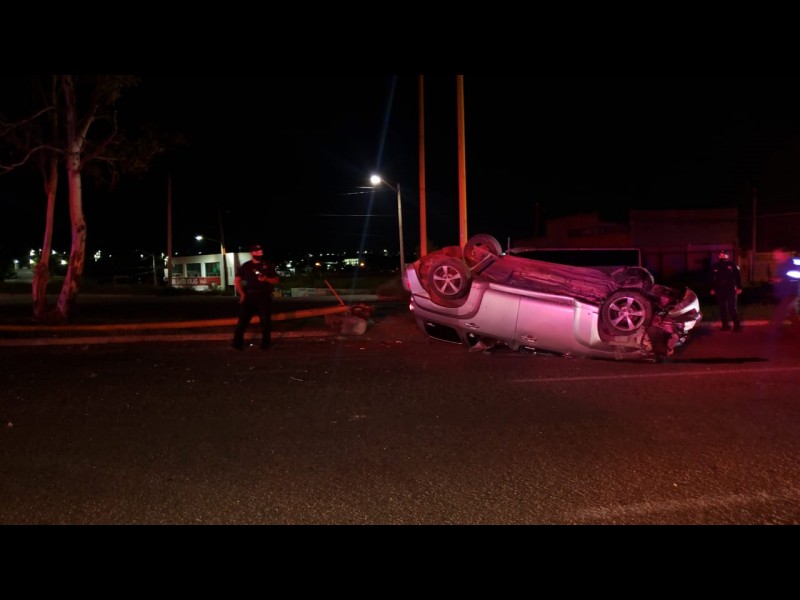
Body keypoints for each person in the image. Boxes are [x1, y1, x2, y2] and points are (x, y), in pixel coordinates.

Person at [231, 244, 280, 350]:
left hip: (264, 296)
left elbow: (276, 280)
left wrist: (266, 279)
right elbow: (237, 280)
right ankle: (237, 344)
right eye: (257, 251)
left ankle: (265, 344)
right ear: (252, 253)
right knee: (242, 321)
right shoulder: (246, 266)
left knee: (265, 321)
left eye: (261, 251)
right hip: (249, 296)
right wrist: (242, 294)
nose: (259, 253)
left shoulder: (268, 265)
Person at [769, 247, 800, 333]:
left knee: (780, 312)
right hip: (783, 293)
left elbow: (796, 275)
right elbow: (780, 276)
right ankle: (797, 329)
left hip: (790, 293)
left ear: (783, 254)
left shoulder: (792, 262)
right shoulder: (780, 264)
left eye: (776, 254)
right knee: (792, 314)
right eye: (774, 255)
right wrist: (775, 280)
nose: (774, 257)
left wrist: (781, 279)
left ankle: (774, 330)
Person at [710, 250, 742, 332]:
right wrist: (712, 288)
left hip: (730, 288)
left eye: (724, 255)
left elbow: (737, 276)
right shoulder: (715, 266)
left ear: (727, 256)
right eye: (720, 255)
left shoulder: (732, 264)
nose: (722, 256)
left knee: (732, 307)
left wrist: (739, 287)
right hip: (719, 289)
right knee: (722, 308)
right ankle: (725, 326)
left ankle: (737, 326)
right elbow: (712, 278)